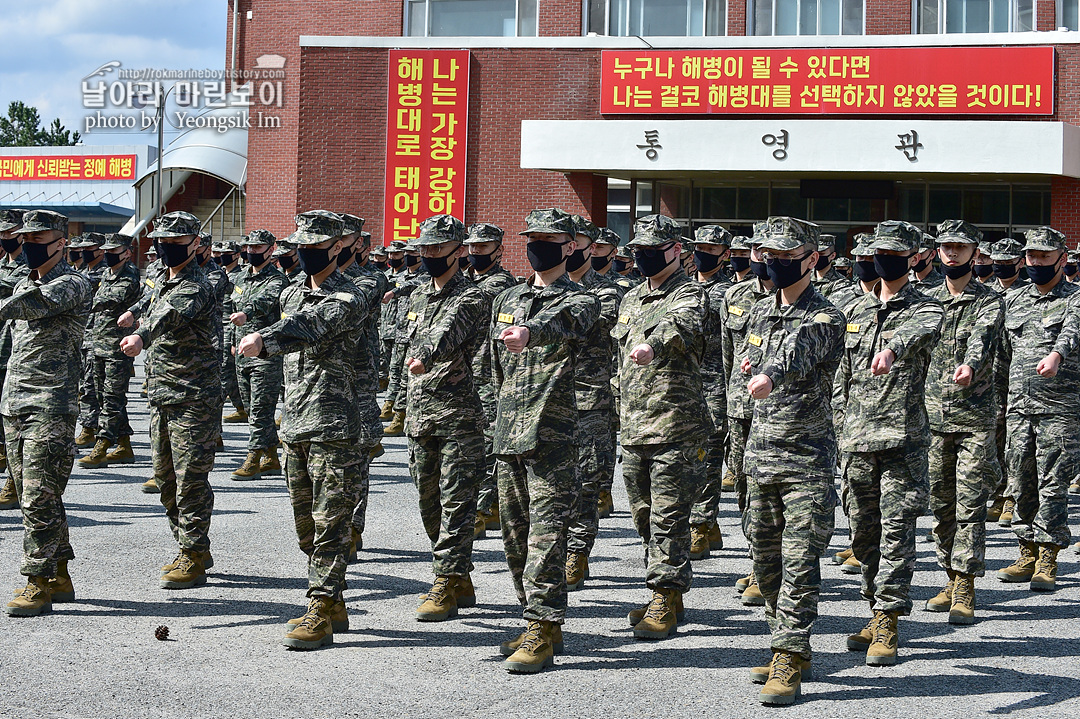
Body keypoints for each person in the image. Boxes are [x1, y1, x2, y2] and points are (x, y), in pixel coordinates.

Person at [236, 210, 369, 650]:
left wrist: (263, 338)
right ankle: (333, 603)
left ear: (337, 249)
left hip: (335, 423)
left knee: (331, 524)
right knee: (305, 528)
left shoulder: (351, 296)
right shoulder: (291, 293)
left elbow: (310, 326)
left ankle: (320, 605)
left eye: (314, 248)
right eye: (301, 248)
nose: (306, 254)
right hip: (294, 422)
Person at [490, 207, 598, 674]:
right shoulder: (508, 298)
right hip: (509, 431)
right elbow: (493, 366)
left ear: (571, 246)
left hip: (555, 436)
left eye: (549, 239)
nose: (538, 246)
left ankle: (543, 624)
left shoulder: (581, 301)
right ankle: (534, 617)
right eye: (532, 237)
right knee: (514, 536)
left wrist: (529, 332)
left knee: (547, 537)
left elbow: (559, 323)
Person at [740, 216, 843, 705]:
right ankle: (785, 640)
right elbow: (750, 355)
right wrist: (748, 370)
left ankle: (789, 652)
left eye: (785, 258)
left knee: (800, 561)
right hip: (761, 456)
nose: (774, 265)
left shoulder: (826, 316)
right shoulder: (759, 312)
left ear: (810, 259)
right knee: (765, 561)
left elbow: (799, 352)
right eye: (769, 257)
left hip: (806, 461)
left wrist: (768, 376)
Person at [838, 219, 943, 666]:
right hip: (856, 440)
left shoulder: (926, 306)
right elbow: (840, 373)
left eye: (895, 253)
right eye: (879, 252)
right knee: (863, 533)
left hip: (903, 440)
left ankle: (888, 620)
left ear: (915, 258)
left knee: (897, 530)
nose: (884, 260)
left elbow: (918, 333)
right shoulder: (855, 312)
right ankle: (872, 605)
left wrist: (892, 348)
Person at [613, 213, 711, 641]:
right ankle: (667, 587)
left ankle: (665, 595)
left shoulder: (689, 293)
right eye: (640, 251)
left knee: (670, 518)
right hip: (634, 426)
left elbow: (681, 325)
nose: (646, 257)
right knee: (643, 516)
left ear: (677, 251)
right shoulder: (631, 297)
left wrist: (651, 345)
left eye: (655, 250)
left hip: (676, 426)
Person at [120, 211, 221, 590]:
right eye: (161, 241)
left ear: (195, 244)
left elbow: (168, 314)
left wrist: (141, 335)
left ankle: (193, 554)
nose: (166, 247)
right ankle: (190, 544)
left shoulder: (199, 284)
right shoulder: (161, 277)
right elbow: (151, 299)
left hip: (194, 397)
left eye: (176, 242)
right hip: (162, 393)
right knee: (165, 479)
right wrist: (132, 311)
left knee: (190, 479)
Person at [1, 210, 90, 617]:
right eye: (27, 237)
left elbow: (33, 305)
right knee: (35, 495)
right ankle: (59, 572)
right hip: (14, 402)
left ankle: (37, 580)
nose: (30, 243)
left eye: (40, 237)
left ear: (61, 242)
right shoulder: (21, 282)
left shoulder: (71, 283)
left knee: (38, 494)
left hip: (51, 403)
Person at [401, 214, 487, 621]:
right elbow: (402, 354)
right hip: (420, 417)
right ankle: (458, 575)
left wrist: (424, 359)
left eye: (438, 248)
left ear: (458, 251)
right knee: (428, 502)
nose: (430, 254)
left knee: (456, 502)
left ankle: (445, 580)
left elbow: (444, 337)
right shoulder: (416, 297)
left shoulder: (471, 298)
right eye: (425, 248)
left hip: (458, 417)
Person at [922, 220, 1004, 625]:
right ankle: (949, 575)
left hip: (974, 417)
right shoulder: (925, 299)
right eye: (946, 247)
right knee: (941, 503)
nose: (952, 253)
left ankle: (966, 582)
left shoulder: (989, 300)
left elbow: (983, 338)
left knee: (970, 502)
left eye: (960, 247)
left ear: (975, 252)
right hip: (932, 418)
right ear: (937, 251)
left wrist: (970, 364)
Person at [996, 227, 1080, 593]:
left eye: (1044, 257)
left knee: (1053, 482)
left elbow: (1071, 334)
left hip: (1060, 408)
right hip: (1018, 408)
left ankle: (1049, 555)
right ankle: (1025, 550)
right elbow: (1000, 356)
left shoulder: (1075, 300)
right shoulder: (1013, 301)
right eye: (1031, 256)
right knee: (1020, 479)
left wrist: (1056, 355)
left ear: (1062, 259)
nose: (1036, 262)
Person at [564, 214, 624, 590]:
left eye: (582, 243)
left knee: (586, 482)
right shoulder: (532, 290)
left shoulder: (605, 292)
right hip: (544, 400)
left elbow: (581, 323)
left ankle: (576, 552)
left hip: (589, 398)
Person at [722, 223, 775, 605]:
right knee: (747, 488)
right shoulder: (735, 296)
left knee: (777, 493)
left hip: (787, 414)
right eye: (757, 250)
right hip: (742, 409)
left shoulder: (812, 303)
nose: (762, 257)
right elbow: (726, 355)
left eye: (770, 251)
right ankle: (758, 560)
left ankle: (774, 565)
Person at [462, 223, 518, 538]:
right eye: (472, 247)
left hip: (488, 375)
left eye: (482, 247)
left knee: (484, 443)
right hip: (464, 371)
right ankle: (489, 504)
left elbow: (472, 299)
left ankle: (482, 510)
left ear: (498, 250)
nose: (475, 252)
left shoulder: (501, 284)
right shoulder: (467, 279)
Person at [77, 233, 143, 469]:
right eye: (106, 250)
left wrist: (81, 299)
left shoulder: (129, 275)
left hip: (118, 347)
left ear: (126, 252)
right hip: (98, 344)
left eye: (114, 250)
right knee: (103, 396)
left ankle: (102, 444)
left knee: (113, 398)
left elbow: (111, 299)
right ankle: (124, 444)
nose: (108, 254)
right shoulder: (107, 273)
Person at [687, 225, 732, 560]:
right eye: (699, 246)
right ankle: (705, 523)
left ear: (725, 254)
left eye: (710, 248)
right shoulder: (683, 289)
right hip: (683, 384)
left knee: (708, 458)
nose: (703, 252)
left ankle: (701, 525)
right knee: (685, 460)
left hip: (715, 383)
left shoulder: (732, 294)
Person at [229, 229, 289, 480]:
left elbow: (264, 301)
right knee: (251, 407)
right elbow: (230, 309)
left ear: (270, 249)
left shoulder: (277, 280)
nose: (252, 252)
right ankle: (272, 456)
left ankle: (253, 456)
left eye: (257, 247)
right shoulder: (240, 278)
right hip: (241, 353)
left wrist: (247, 314)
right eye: (249, 247)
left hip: (266, 355)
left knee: (261, 408)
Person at [0, 209, 30, 508]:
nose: (4, 238)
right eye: (2, 233)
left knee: (14, 425)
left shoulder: (28, 268)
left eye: (9, 233)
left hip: (13, 350)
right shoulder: (2, 263)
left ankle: (12, 483)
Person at [73, 232, 106, 449]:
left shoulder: (103, 273)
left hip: (100, 338)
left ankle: (93, 429)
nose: (83, 252)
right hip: (84, 335)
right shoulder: (84, 271)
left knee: (94, 387)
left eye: (89, 248)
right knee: (85, 385)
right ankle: (92, 427)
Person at [810, 233, 851, 301]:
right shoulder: (805, 278)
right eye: (815, 254)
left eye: (821, 254)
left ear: (832, 256)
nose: (817, 257)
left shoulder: (841, 282)